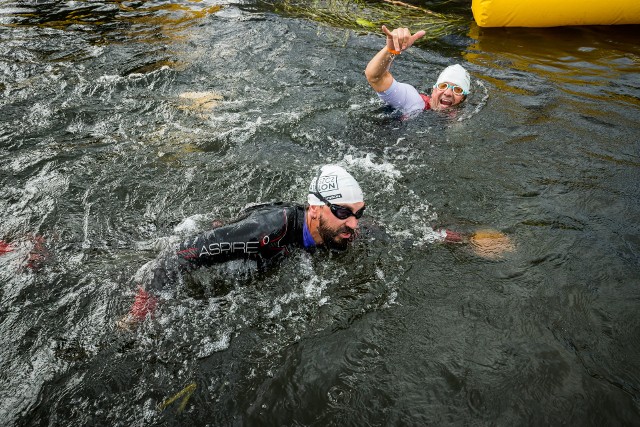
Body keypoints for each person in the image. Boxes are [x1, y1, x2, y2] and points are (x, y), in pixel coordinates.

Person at [120, 164, 366, 325]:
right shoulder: (265, 231)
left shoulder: (338, 229)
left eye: (359, 213)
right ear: (315, 209)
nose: (354, 224)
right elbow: (173, 259)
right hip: (232, 234)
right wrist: (138, 314)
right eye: (343, 212)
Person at [365, 25, 471, 114]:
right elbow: (375, 77)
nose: (448, 93)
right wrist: (391, 51)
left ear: (463, 98)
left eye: (457, 90)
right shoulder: (414, 101)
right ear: (434, 90)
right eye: (443, 86)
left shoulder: (462, 118)